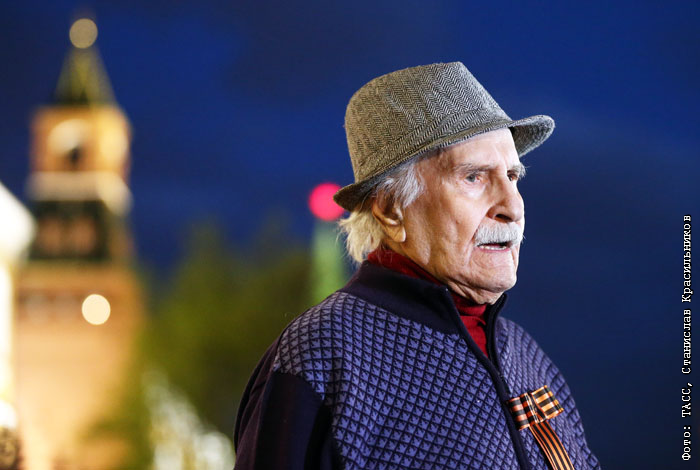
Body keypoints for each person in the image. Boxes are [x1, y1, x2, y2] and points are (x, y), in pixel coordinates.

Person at [233, 62, 600, 470]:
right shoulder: (325, 352)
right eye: (474, 177)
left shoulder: (529, 357)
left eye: (513, 176)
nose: (512, 207)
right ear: (391, 208)